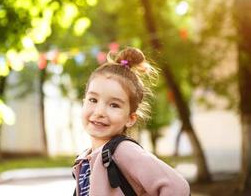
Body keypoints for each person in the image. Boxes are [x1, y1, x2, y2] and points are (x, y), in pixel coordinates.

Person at [72, 47, 190, 196]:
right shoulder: (85, 159)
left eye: (114, 105)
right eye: (93, 100)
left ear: (130, 118)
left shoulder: (123, 151)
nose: (99, 112)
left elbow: (177, 187)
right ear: (84, 102)